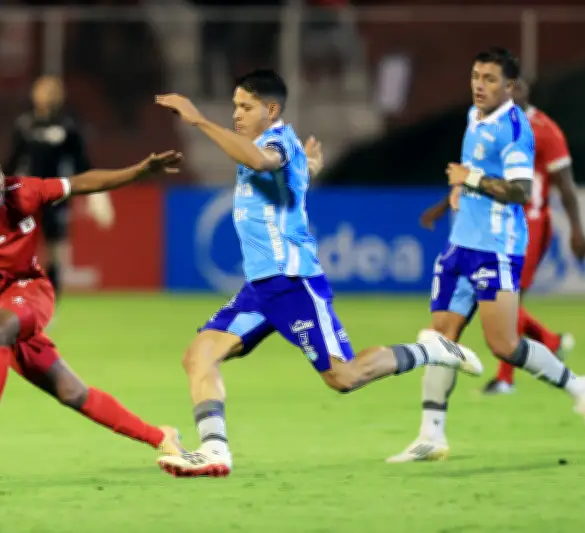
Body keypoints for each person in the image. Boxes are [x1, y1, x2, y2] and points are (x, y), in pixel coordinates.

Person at [153, 69, 484, 478]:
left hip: (292, 284)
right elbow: (279, 181)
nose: (237, 113)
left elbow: (260, 160)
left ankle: (433, 350)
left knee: (344, 377)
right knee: (199, 355)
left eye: (245, 106)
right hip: (259, 289)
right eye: (235, 105)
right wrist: (306, 171)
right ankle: (215, 451)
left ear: (271, 110)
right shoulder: (268, 145)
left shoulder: (274, 141)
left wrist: (199, 119)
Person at [388, 48, 585, 463]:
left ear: (510, 87)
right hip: (461, 246)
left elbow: (521, 190)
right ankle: (431, 434)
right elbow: (474, 174)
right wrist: (459, 191)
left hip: (496, 249)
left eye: (489, 79)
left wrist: (470, 178)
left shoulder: (515, 129)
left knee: (504, 344)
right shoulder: (474, 117)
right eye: (475, 76)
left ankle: (582, 390)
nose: (479, 85)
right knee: (440, 339)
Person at [0, 129, 183, 464]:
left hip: (31, 291)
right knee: (71, 392)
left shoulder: (22, 193)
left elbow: (82, 183)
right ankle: (161, 438)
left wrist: (138, 172)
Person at [6, 75, 115, 299]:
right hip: (28, 196)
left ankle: (50, 302)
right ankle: (19, 298)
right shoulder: (25, 125)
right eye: (43, 91)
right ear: (34, 95)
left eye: (52, 91)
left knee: (55, 252)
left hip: (57, 197)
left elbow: (82, 164)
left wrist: (98, 196)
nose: (47, 96)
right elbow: (12, 162)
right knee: (22, 249)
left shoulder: (68, 127)